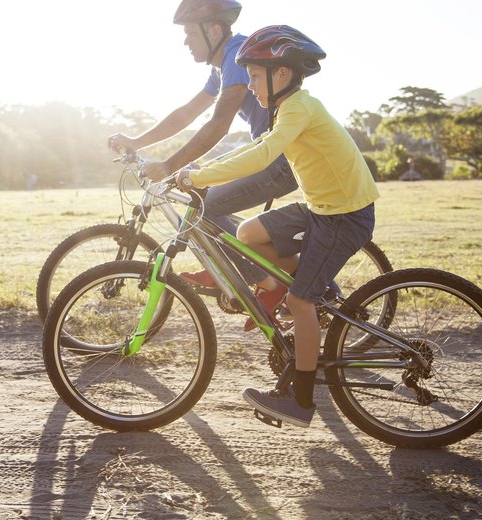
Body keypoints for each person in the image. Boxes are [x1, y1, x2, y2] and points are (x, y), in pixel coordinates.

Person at [174, 25, 379, 428]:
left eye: (253, 75)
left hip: (345, 215)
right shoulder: (288, 109)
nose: (250, 85)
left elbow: (266, 153)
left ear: (281, 74)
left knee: (302, 303)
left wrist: (201, 179)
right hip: (322, 208)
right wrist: (202, 169)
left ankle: (300, 401)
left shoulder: (300, 107)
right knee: (247, 232)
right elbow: (256, 146)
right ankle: (289, 282)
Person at [107, 0, 297, 287]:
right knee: (201, 191)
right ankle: (230, 266)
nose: (186, 42)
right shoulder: (222, 67)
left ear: (215, 30)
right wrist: (137, 141)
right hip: (268, 153)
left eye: (191, 33)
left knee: (205, 210)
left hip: (281, 160)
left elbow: (219, 124)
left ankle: (264, 283)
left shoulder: (237, 58)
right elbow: (186, 114)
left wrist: (170, 164)